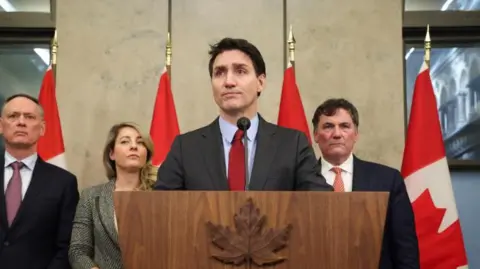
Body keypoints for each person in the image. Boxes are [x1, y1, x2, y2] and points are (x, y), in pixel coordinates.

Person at [155, 37, 331, 191]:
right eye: (219, 73)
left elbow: (319, 204)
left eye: (240, 71)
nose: (229, 82)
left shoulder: (292, 144)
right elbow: (161, 208)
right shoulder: (186, 148)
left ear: (260, 83)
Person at [312, 98, 419, 269]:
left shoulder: (388, 180)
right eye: (328, 126)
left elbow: (405, 249)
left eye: (345, 126)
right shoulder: (300, 180)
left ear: (356, 134)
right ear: (315, 135)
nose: (337, 134)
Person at [0, 93, 79, 269]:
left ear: (42, 128)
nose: (21, 122)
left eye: (29, 117)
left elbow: (67, 246)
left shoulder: (64, 183)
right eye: (13, 116)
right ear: (1, 125)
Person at [68, 122, 156, 269]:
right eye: (125, 141)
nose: (134, 146)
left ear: (146, 153)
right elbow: (78, 251)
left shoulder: (162, 195)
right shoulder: (91, 197)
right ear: (112, 154)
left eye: (140, 142)